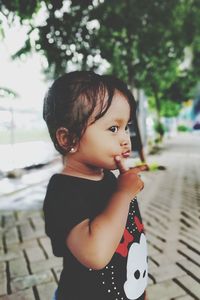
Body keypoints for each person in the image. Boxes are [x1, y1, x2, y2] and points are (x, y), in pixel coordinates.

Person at [43, 71, 148, 300]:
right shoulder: (63, 191)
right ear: (68, 139)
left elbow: (132, 238)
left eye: (126, 127)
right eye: (113, 128)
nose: (125, 139)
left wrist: (141, 290)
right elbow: (96, 255)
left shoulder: (110, 179)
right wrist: (123, 193)